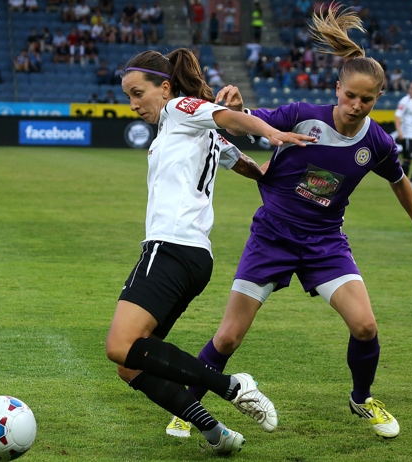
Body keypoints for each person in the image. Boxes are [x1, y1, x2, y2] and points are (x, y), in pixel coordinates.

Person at [167, 6, 412, 441]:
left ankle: (361, 399)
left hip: (324, 244)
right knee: (227, 338)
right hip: (272, 237)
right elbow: (250, 125)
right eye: (350, 95)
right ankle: (188, 405)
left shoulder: (376, 141)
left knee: (366, 326)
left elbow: (400, 181)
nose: (355, 105)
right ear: (337, 88)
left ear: (378, 100)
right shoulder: (301, 114)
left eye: (366, 99)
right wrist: (240, 108)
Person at [106, 47, 315, 455]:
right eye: (127, 96)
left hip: (171, 247)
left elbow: (228, 118)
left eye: (137, 93)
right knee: (129, 366)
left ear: (164, 88)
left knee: (120, 344)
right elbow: (239, 160)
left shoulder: (180, 110)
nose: (133, 104)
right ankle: (215, 432)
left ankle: (232, 386)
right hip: (191, 256)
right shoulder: (191, 130)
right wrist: (264, 169)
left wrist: (267, 132)